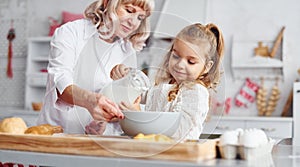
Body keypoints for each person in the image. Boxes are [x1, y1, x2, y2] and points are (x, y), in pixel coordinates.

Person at [37, 0, 154, 135]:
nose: (133, 22)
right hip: (56, 135)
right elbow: (60, 84)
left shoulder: (127, 49)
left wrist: (103, 125)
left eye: (140, 17)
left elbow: (120, 106)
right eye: (129, 10)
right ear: (107, 3)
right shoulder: (71, 32)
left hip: (97, 143)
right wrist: (90, 100)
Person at [120, 23, 225, 140]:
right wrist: (126, 76)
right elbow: (137, 93)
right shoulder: (165, 87)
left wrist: (140, 117)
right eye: (176, 56)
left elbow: (179, 132)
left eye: (190, 61)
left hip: (179, 154)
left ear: (207, 67)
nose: (180, 65)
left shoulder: (196, 92)